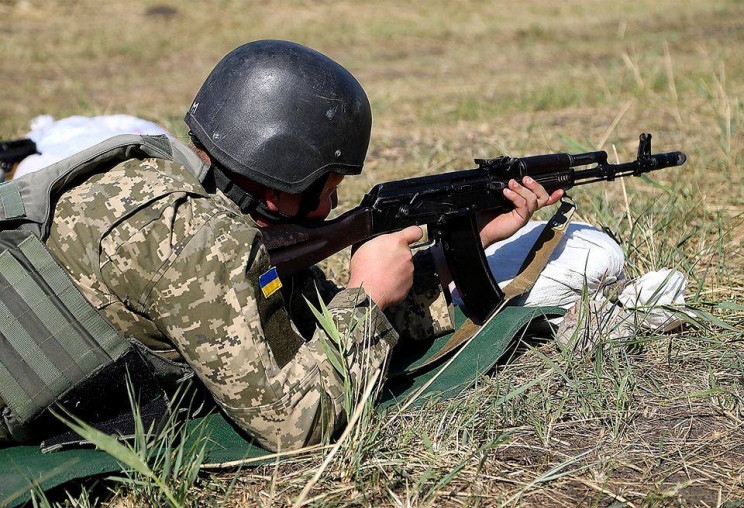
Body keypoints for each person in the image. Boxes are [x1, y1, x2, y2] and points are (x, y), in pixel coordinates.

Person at [0, 40, 561, 450]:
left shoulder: (164, 176)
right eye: (330, 186)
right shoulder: (202, 244)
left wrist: (464, 245)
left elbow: (303, 324)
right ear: (283, 180)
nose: (336, 206)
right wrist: (365, 300)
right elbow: (299, 426)